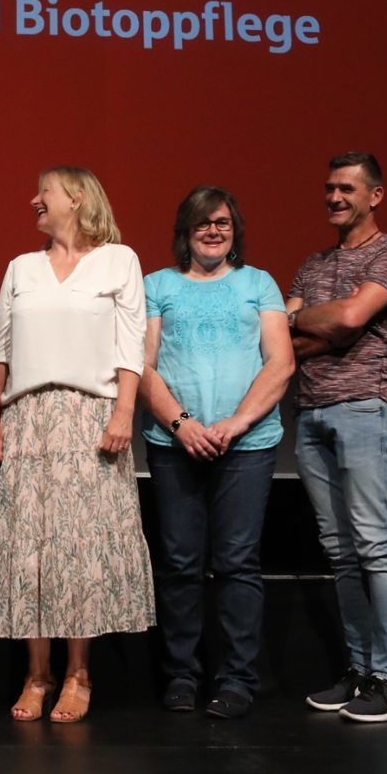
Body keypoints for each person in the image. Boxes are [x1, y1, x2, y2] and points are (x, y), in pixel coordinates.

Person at [0, 167, 153, 724]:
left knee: (81, 546)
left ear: (76, 198)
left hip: (91, 416)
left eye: (45, 191)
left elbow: (131, 346)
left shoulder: (118, 260)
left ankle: (78, 673)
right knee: (29, 542)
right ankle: (38, 675)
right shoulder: (21, 267)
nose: (35, 200)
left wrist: (124, 411)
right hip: (28, 416)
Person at [140, 186, 293, 720]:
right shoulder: (156, 285)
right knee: (180, 563)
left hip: (246, 445)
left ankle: (236, 680)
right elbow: (142, 365)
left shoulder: (259, 283)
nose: (213, 231)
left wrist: (236, 423)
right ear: (185, 230)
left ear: (235, 230)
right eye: (203, 222)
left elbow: (280, 363)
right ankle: (182, 676)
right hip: (174, 444)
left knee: (236, 563)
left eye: (222, 222)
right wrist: (182, 424)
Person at [285, 153, 387, 723]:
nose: (334, 197)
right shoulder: (312, 264)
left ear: (375, 195)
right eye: (329, 188)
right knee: (340, 553)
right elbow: (284, 337)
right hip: (311, 413)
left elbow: (350, 319)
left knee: (375, 545)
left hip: (366, 408)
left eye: (346, 188)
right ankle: (362, 670)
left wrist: (314, 319)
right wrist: (327, 322)